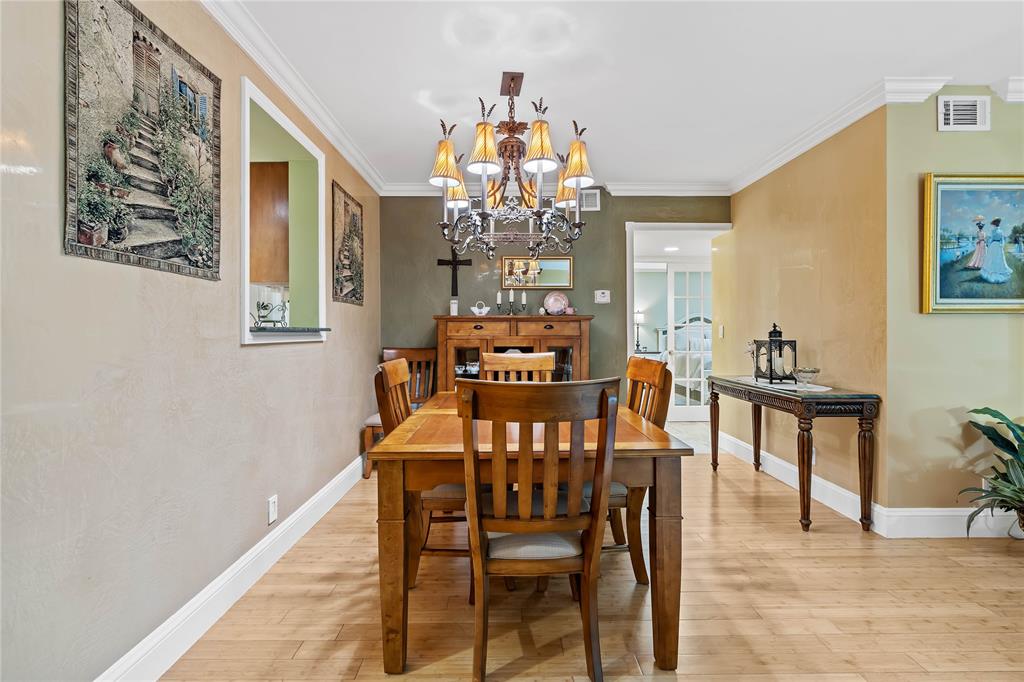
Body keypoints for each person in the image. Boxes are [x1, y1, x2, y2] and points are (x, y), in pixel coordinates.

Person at [981, 218, 1013, 284]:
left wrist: (988, 244)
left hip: (994, 245)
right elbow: (1002, 240)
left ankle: (994, 271)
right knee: (997, 258)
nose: (994, 225)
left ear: (995, 224)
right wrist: (1001, 245)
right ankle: (998, 270)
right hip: (998, 245)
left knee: (993, 258)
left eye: (994, 224)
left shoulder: (994, 231)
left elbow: (992, 239)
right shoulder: (1000, 231)